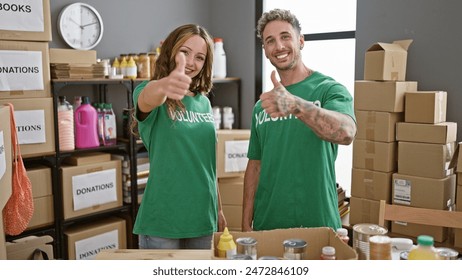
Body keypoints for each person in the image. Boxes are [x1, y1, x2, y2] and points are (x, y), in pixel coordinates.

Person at [242, 9, 357, 232]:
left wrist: (296, 105)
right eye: (270, 41)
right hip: (268, 225)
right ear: (265, 50)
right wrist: (246, 221)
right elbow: (255, 166)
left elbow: (346, 132)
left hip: (318, 223)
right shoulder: (263, 106)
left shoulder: (329, 90)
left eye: (285, 36)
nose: (279, 46)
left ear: (301, 41)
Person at [131, 24, 226, 249]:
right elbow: (147, 98)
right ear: (171, 51)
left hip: (203, 217)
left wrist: (219, 209)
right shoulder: (150, 91)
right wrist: (165, 85)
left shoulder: (203, 102)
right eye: (185, 52)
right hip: (163, 221)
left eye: (200, 57)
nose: (192, 62)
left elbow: (207, 163)